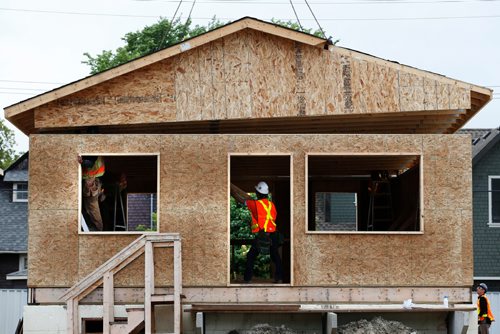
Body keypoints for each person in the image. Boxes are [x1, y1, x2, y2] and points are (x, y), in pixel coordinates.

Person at [230, 181, 283, 284]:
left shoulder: (255, 204)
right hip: (274, 235)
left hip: (263, 235)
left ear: (258, 193)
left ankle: (247, 279)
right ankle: (279, 278)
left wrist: (231, 191)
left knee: (251, 256)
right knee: (275, 256)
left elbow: (241, 200)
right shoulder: (271, 205)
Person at [78, 155, 105, 231]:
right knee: (89, 207)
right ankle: (95, 228)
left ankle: (98, 230)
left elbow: (90, 163)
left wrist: (82, 161)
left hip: (91, 180)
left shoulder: (92, 150)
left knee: (92, 207)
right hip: (93, 179)